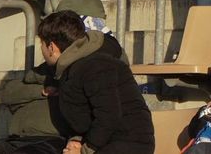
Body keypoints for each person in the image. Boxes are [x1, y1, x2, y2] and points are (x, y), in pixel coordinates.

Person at [31, 10, 153, 154]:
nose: (41, 49)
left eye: (42, 44)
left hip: (127, 144)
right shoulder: (74, 67)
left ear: (51, 47)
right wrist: (78, 140)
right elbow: (89, 116)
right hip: (110, 142)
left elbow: (109, 115)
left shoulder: (94, 65)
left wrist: (86, 149)